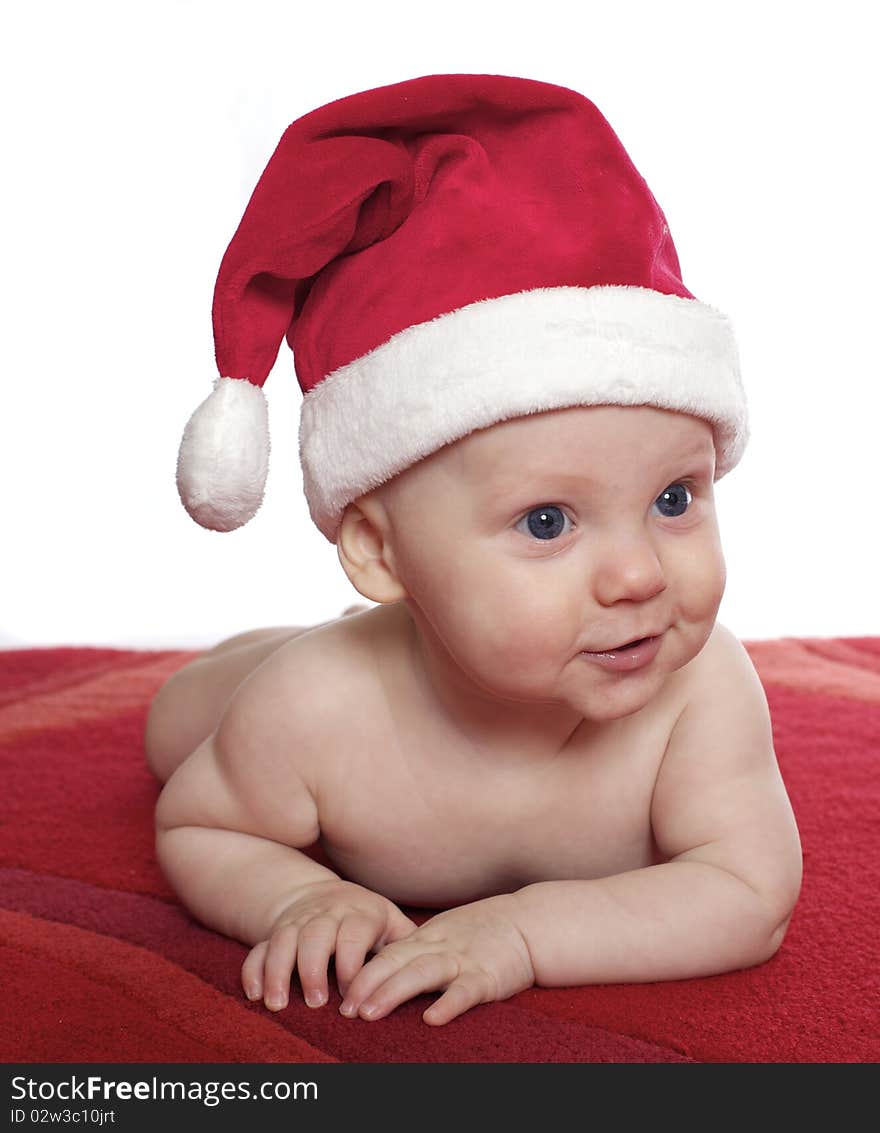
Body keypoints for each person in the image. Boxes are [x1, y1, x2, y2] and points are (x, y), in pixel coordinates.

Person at [146, 74, 802, 1026]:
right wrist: (292, 895)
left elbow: (749, 893)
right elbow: (201, 822)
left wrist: (524, 934)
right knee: (176, 725)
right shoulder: (320, 708)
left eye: (674, 498)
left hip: (421, 636)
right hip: (363, 665)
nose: (640, 575)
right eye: (547, 521)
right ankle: (320, 636)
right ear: (379, 551)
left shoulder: (700, 696)